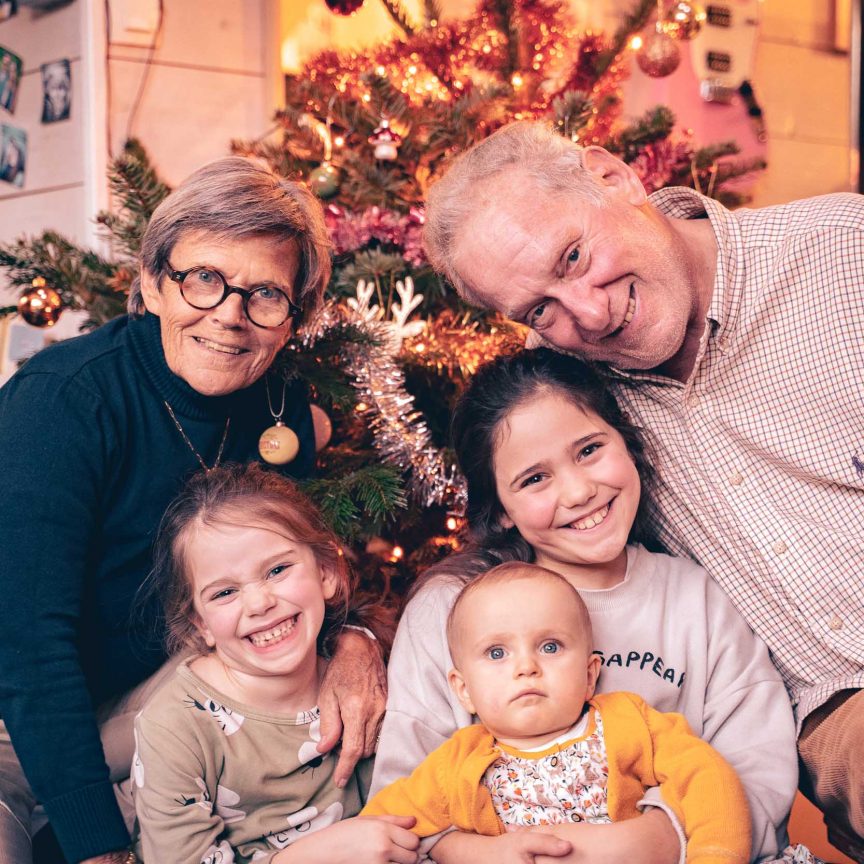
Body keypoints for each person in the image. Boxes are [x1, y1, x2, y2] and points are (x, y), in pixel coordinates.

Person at [422, 120, 864, 860]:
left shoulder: (842, 255)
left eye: (574, 256)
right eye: (539, 309)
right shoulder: (568, 388)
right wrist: (344, 640)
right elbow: (520, 530)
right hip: (837, 706)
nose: (589, 315)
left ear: (614, 177)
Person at [0, 157, 384, 864]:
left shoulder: (280, 409)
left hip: (162, 704)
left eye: (265, 294)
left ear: (295, 317)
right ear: (152, 282)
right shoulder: (63, 402)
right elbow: (26, 642)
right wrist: (97, 844)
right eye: (204, 279)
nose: (230, 318)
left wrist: (356, 642)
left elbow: (299, 567)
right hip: (17, 717)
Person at [372, 348, 805, 864]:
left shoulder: (695, 598)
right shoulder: (448, 609)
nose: (578, 491)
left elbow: (758, 765)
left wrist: (662, 839)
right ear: (500, 509)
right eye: (534, 479)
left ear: (627, 441)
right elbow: (399, 808)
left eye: (589, 450)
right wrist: (469, 852)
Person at [366, 562, 751, 864]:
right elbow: (380, 828)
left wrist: (713, 856)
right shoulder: (455, 765)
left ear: (588, 675)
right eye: (497, 653)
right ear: (464, 690)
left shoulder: (629, 722)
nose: (526, 666)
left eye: (549, 647)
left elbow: (707, 778)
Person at [133, 463, 419, 864]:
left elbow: (419, 803)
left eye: (277, 570)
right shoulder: (175, 726)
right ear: (201, 625)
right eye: (225, 592)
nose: (260, 603)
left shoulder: (367, 685)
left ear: (327, 572)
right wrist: (316, 855)